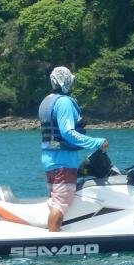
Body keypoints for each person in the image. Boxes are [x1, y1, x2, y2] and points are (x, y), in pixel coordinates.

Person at [38, 66, 108, 232]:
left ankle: (54, 230)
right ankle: (52, 239)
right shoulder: (64, 103)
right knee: (61, 202)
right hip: (63, 162)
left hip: (49, 160)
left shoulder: (47, 101)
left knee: (55, 200)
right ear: (65, 82)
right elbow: (68, 133)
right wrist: (97, 142)